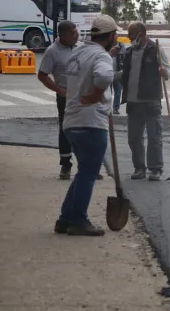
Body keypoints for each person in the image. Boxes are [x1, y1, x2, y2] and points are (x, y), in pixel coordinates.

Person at [54, 14, 118, 236]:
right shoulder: (102, 57)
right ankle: (79, 220)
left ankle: (64, 219)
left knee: (83, 172)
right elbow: (104, 76)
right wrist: (97, 94)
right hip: (91, 122)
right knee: (89, 174)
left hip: (71, 121)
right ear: (110, 36)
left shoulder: (78, 52)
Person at [117, 22, 170, 181]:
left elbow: (168, 71)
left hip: (151, 101)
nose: (129, 38)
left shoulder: (156, 50)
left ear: (141, 34)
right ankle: (139, 168)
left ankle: (155, 169)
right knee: (134, 138)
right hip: (133, 102)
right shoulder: (129, 52)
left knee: (154, 137)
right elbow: (125, 74)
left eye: (132, 35)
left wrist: (164, 72)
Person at [37, 21, 81, 180]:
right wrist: (59, 90)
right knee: (66, 129)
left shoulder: (81, 47)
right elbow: (42, 75)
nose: (77, 36)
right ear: (63, 36)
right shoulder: (52, 52)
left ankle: (85, 166)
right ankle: (66, 164)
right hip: (66, 97)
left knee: (85, 129)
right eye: (73, 33)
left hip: (83, 96)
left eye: (77, 32)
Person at [111, 40, 128, 115]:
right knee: (107, 92)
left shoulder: (121, 46)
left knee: (118, 91)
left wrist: (123, 69)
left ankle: (115, 108)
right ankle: (106, 108)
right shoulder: (106, 45)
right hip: (107, 72)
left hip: (117, 72)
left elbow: (125, 58)